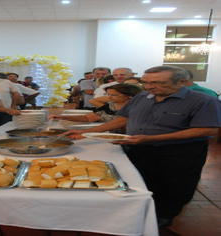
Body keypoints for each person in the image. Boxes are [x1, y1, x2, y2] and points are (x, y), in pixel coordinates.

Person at [64, 66, 221, 228]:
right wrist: (88, 132)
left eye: (156, 83)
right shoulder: (143, 97)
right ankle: (138, 213)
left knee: (173, 188)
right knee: (141, 181)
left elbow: (206, 129)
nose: (148, 87)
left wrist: (152, 137)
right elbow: (123, 119)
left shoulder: (204, 101)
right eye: (146, 82)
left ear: (182, 81)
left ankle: (162, 219)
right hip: (140, 148)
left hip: (178, 154)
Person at [49, 83, 143, 133]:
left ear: (130, 95)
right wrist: (63, 117)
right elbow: (87, 118)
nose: (109, 97)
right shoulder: (109, 106)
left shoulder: (138, 107)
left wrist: (85, 132)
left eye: (114, 95)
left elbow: (118, 124)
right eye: (108, 94)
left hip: (132, 139)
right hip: (109, 136)